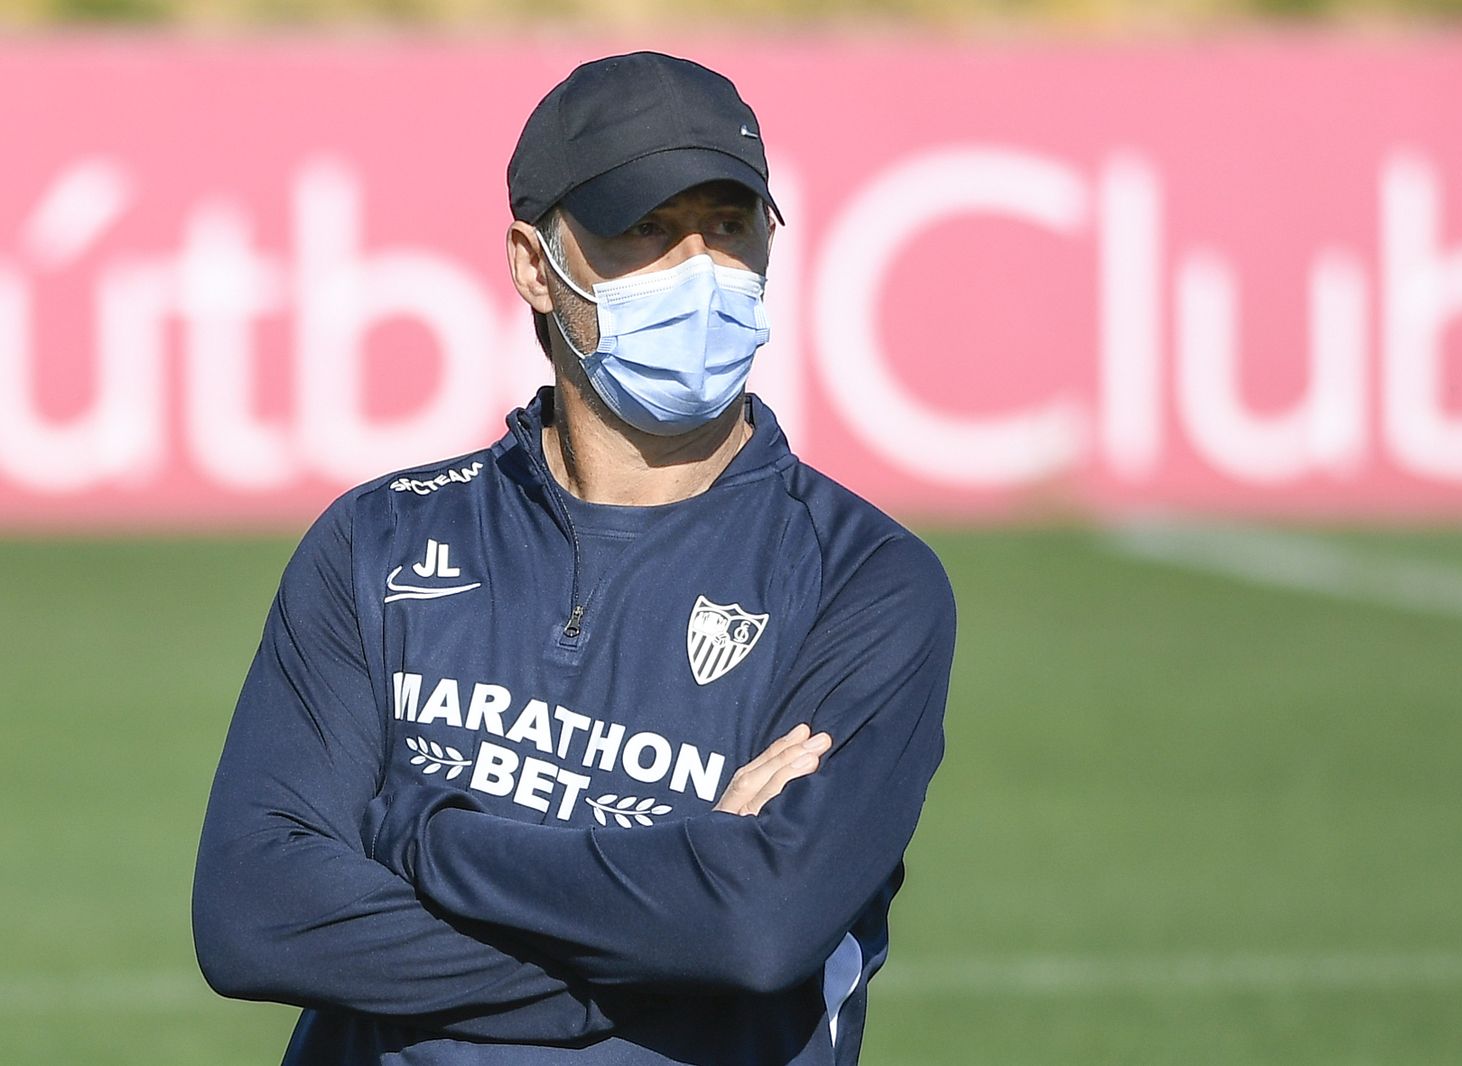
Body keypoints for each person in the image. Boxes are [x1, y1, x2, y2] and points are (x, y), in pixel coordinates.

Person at [193, 50, 957, 1066]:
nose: (700, 274)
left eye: (728, 229)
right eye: (646, 230)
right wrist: (648, 931)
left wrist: (426, 839)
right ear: (532, 264)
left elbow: (753, 928)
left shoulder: (864, 580)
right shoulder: (375, 542)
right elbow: (257, 913)